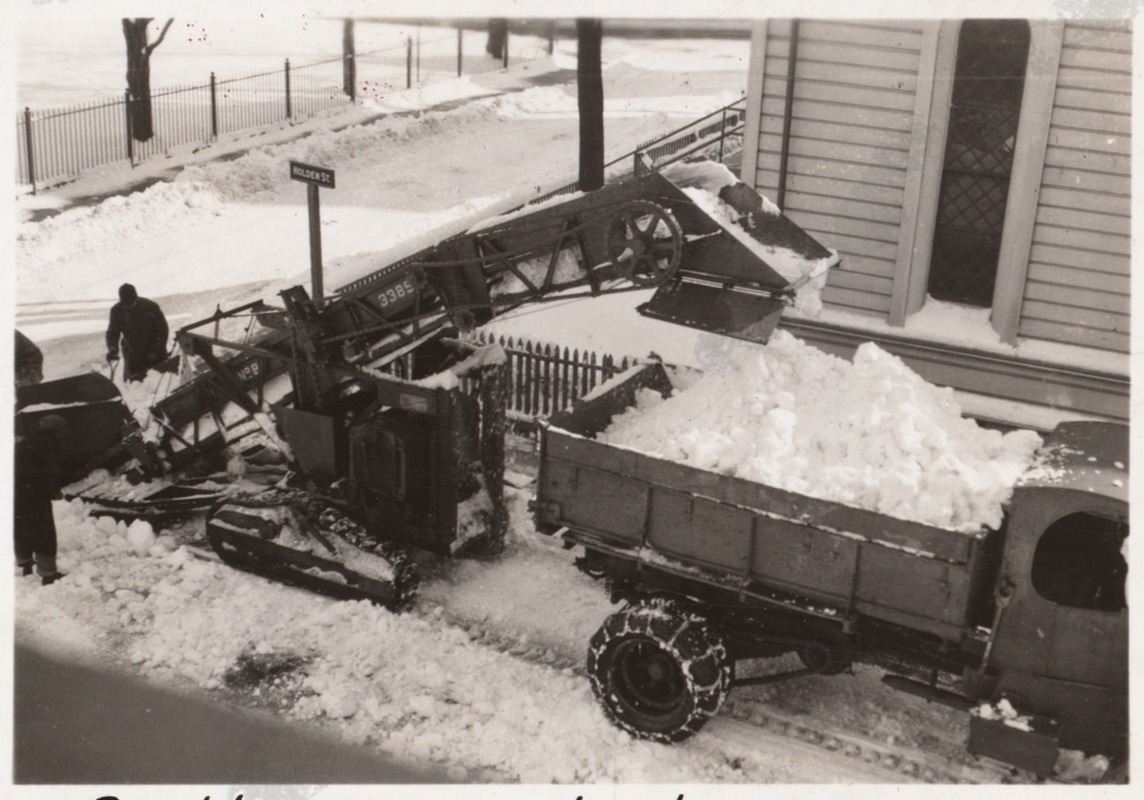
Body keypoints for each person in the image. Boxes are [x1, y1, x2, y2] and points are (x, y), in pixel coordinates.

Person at [14, 414, 68, 585]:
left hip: (16, 492)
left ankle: (24, 563)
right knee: (43, 532)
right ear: (57, 430)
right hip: (36, 495)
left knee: (21, 526)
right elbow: (52, 472)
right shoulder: (51, 445)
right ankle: (48, 573)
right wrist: (55, 492)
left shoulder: (24, 443)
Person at [106, 283, 169, 382]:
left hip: (154, 351)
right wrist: (112, 347)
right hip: (133, 354)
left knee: (160, 381)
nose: (128, 307)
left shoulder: (150, 307)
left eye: (131, 304)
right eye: (125, 305)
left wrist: (155, 351)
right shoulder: (116, 310)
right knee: (136, 384)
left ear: (136, 298)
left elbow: (162, 331)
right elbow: (113, 332)